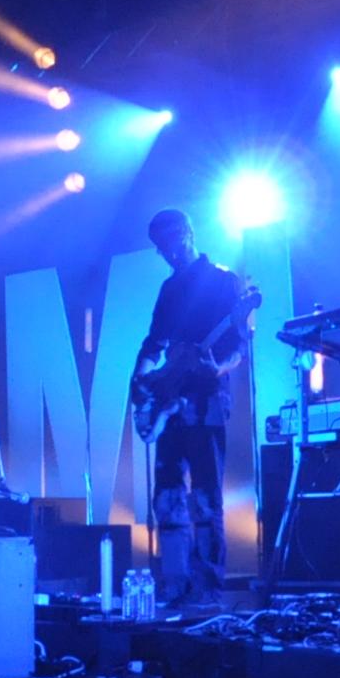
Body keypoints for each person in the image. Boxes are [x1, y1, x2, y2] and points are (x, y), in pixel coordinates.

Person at [133, 208, 254, 605]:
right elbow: (154, 342)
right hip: (170, 402)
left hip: (207, 401)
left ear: (187, 233)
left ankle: (207, 590)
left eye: (170, 242)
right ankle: (174, 584)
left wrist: (217, 367)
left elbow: (239, 346)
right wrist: (141, 380)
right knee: (167, 497)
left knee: (204, 497)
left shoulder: (223, 281)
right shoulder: (169, 289)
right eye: (159, 247)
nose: (166, 252)